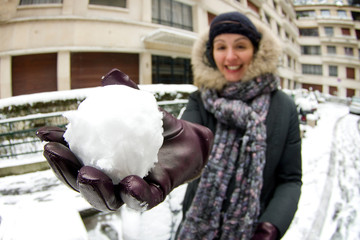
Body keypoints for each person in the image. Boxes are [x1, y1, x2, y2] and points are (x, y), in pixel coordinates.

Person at [175, 12, 302, 240]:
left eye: (240, 46)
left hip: (252, 230)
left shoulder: (284, 107)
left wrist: (271, 226)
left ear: (256, 51)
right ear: (211, 54)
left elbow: (290, 180)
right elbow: (184, 144)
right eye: (221, 47)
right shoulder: (200, 101)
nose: (230, 57)